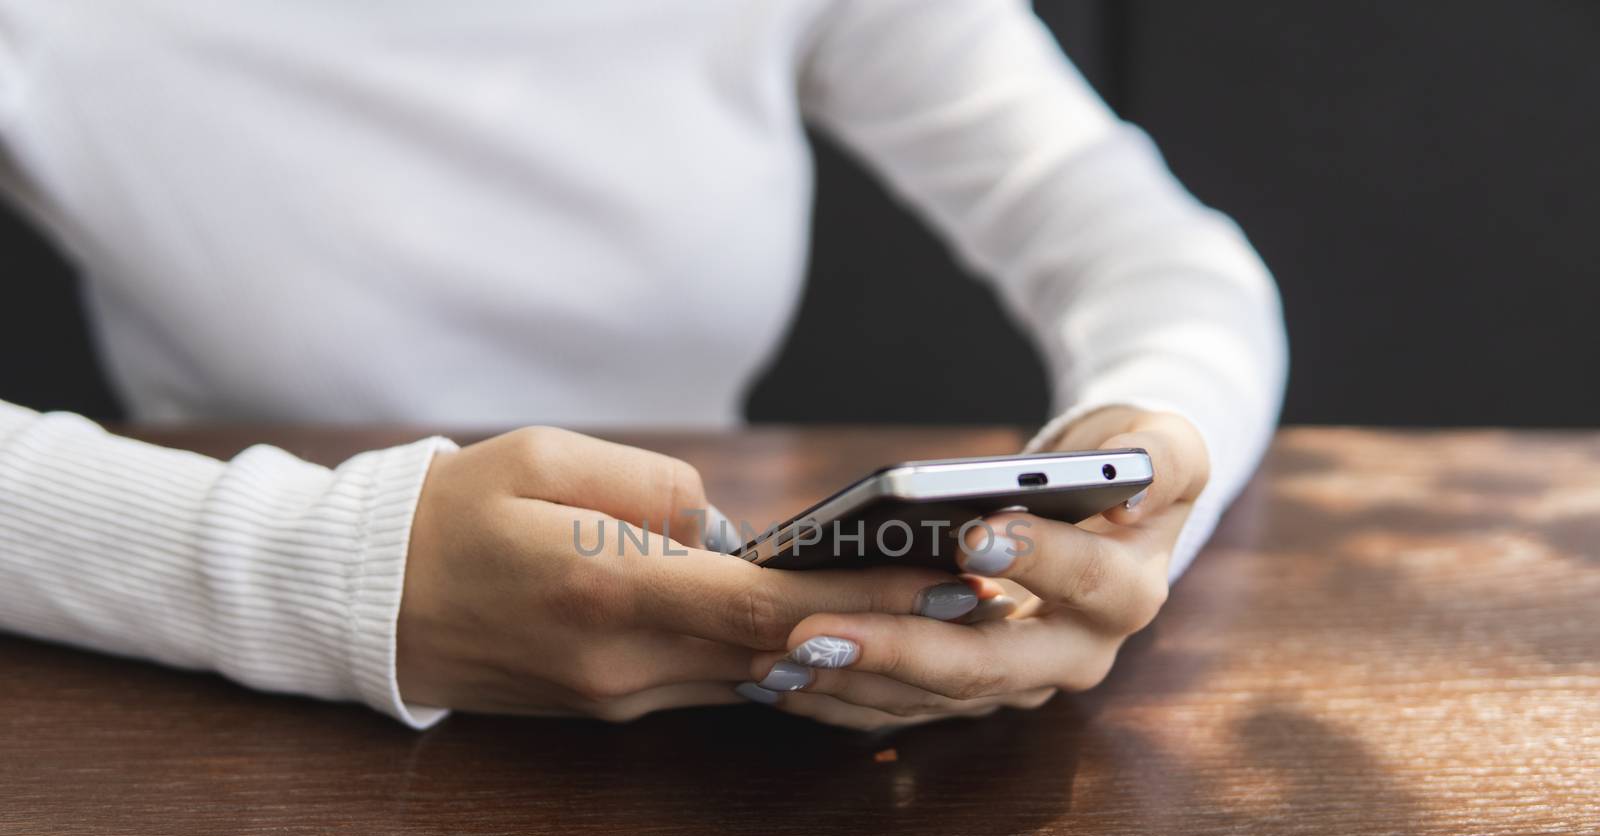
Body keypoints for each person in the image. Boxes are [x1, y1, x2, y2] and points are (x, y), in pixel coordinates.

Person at [0, 0, 1285, 731]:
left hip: (723, 774)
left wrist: (1139, 469)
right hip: (213, 733)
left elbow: (1151, 253)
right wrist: (330, 571)